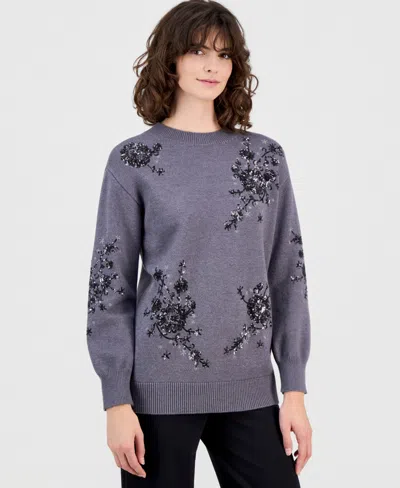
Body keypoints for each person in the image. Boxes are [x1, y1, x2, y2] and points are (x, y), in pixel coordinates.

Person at [86, 0, 313, 486]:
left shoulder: (264, 158)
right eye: (197, 51)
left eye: (224, 55)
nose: (213, 66)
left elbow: (287, 277)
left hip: (251, 389)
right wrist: (116, 401)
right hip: (157, 393)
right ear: (170, 58)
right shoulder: (133, 161)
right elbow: (109, 287)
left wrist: (293, 389)